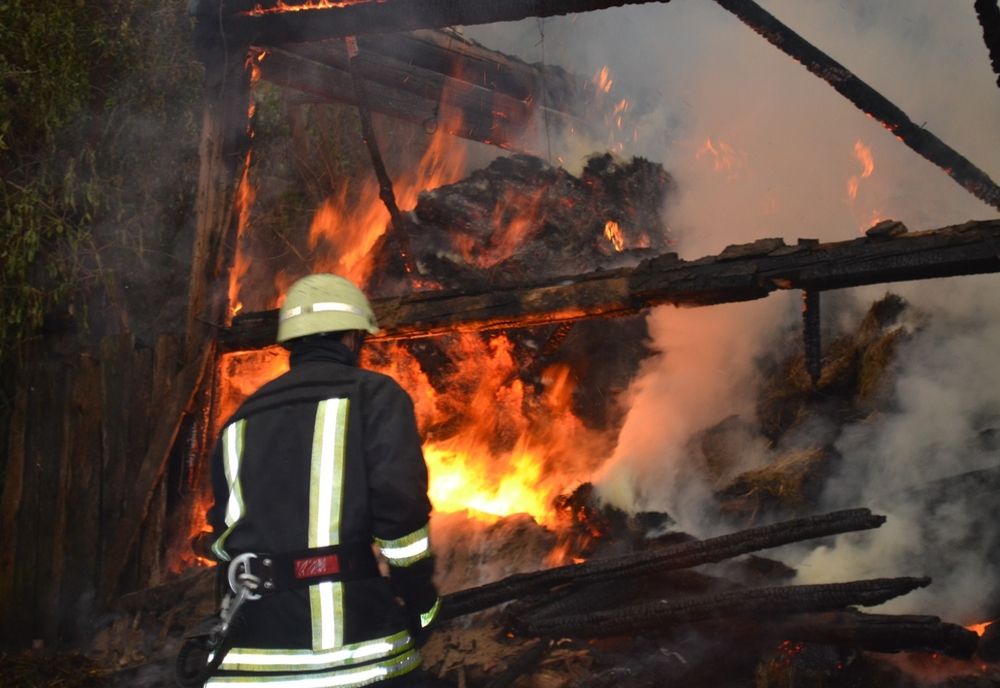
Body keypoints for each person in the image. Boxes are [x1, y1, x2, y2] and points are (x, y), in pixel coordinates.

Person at [204, 273, 439, 687]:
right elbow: (400, 513)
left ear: (291, 344)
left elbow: (224, 537)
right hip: (350, 656)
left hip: (244, 661)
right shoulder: (374, 396)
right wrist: (420, 598)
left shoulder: (237, 423)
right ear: (353, 337)